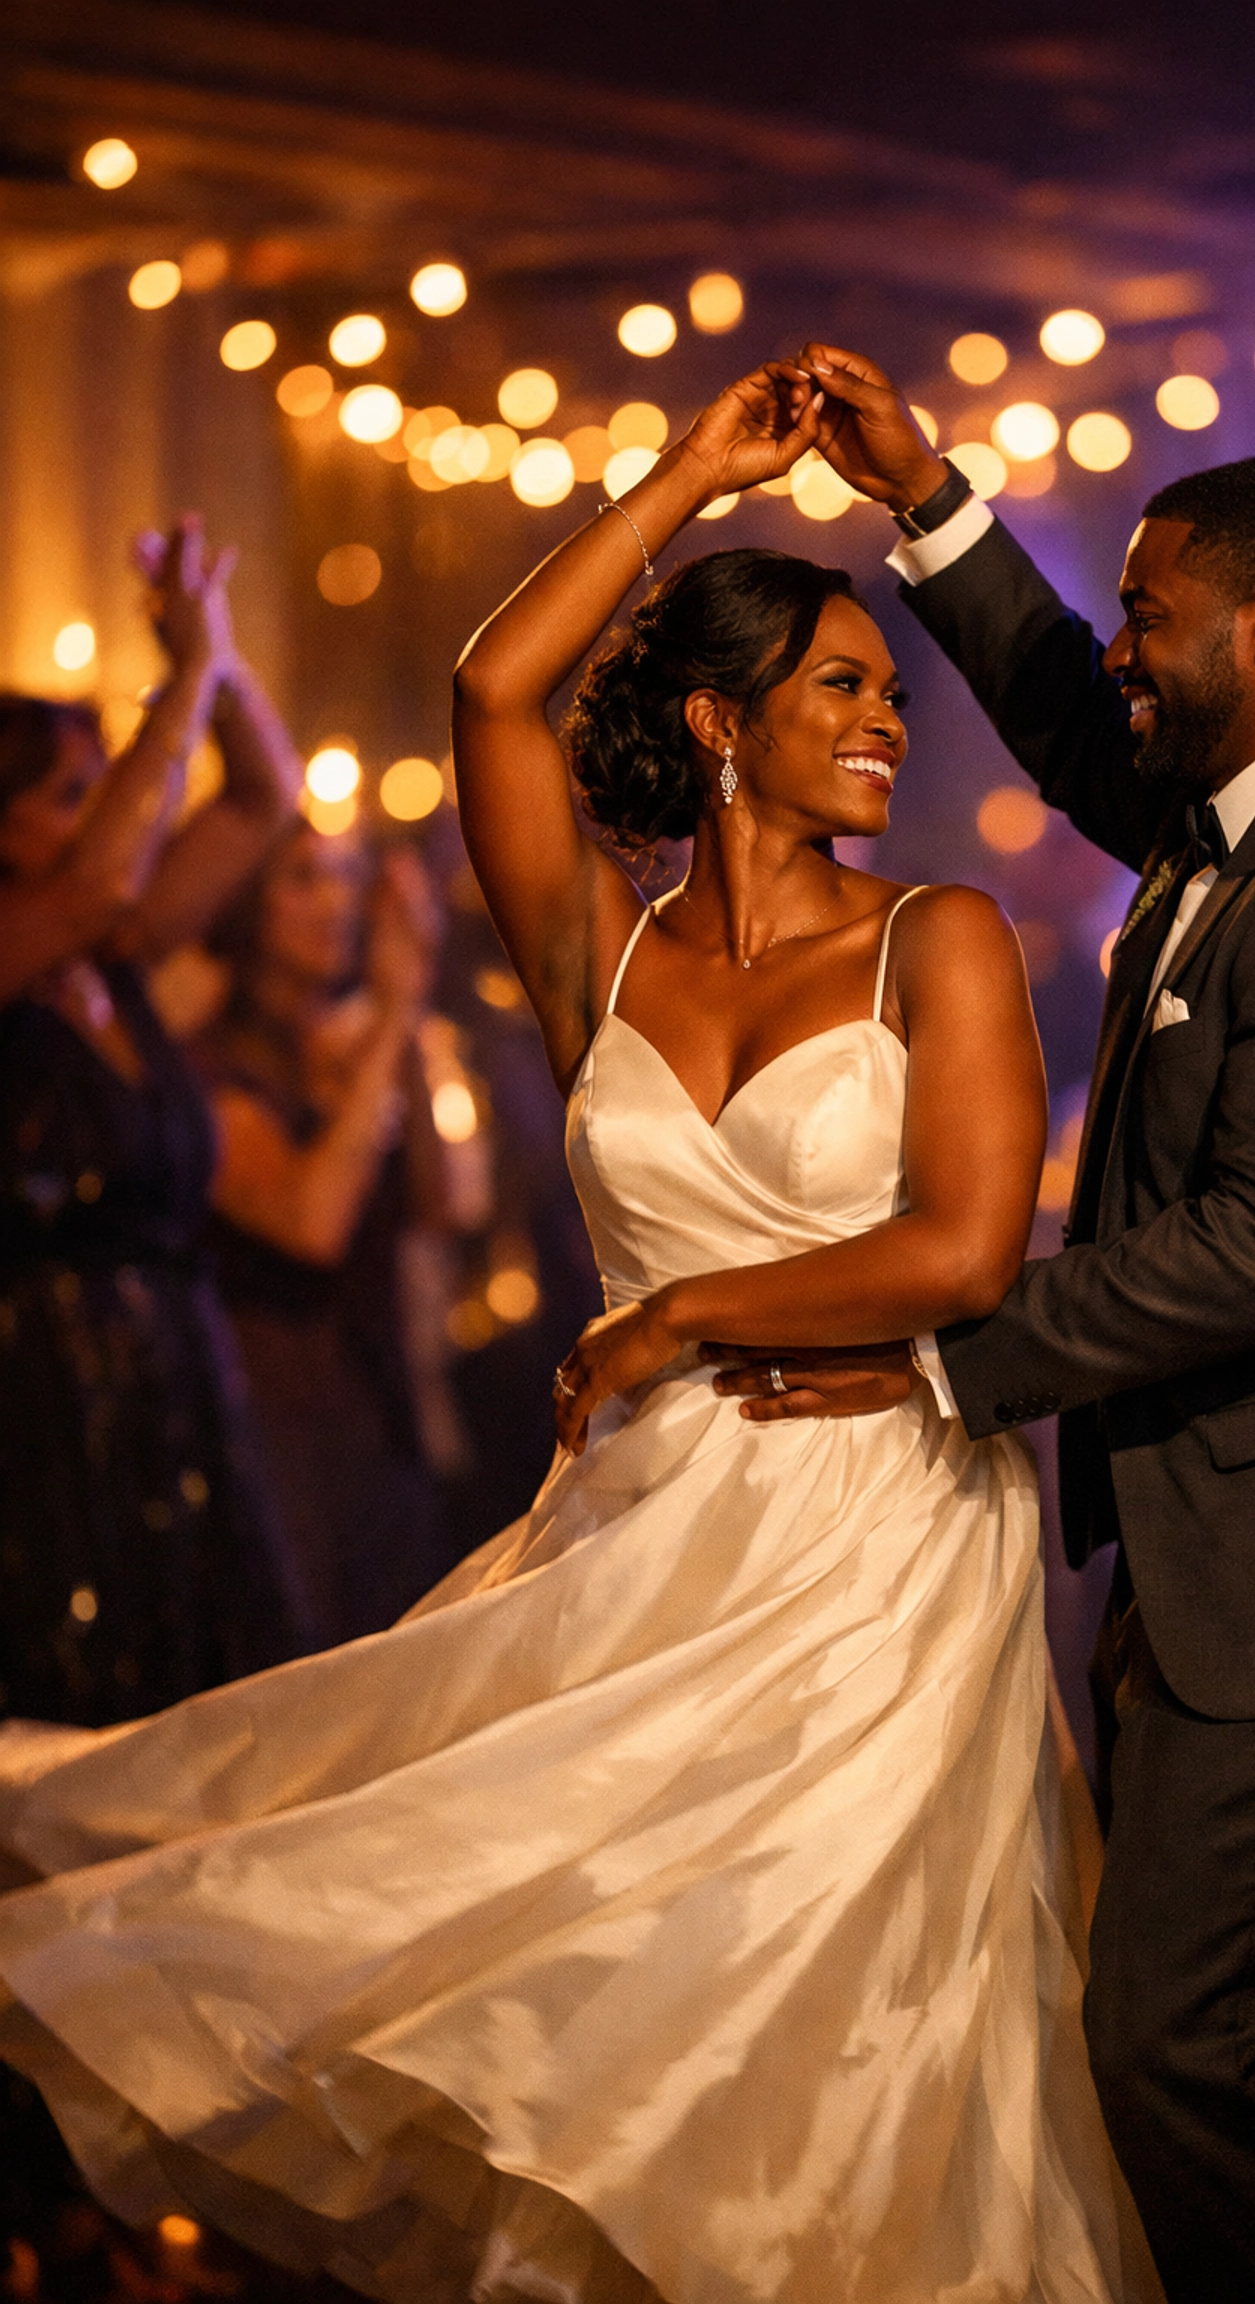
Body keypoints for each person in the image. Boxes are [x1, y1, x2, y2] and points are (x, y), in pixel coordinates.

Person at [0, 367, 1158, 2304]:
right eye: (842, 689)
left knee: (835, 2020)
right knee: (590, 1988)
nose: (890, 724)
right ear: (721, 724)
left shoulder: (936, 939)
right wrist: (694, 472)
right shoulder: (595, 949)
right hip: (638, 1533)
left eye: (889, 692)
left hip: (873, 1543)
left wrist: (675, 1313)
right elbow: (491, 693)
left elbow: (963, 1252)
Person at [708, 347, 1255, 2304]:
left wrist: (944, 1354)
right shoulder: (1238, 805)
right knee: (1251, 2065)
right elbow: (1089, 726)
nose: (1126, 656)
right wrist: (929, 502)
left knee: (1189, 2062)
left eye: (1151, 620)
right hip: (1241, 1548)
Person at [0, 518, 306, 1728]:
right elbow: (92, 883)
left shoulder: (113, 960)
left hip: (175, 1393)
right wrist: (176, 681)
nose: (117, 808)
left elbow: (264, 797)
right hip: (34, 1408)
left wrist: (217, 662)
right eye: (74, 792)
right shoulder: (29, 949)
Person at [196, 827, 458, 1644]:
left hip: (373, 1406)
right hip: (274, 1428)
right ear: (241, 906)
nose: (338, 903)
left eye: (348, 876)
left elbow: (437, 1201)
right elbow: (311, 1225)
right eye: (303, 879)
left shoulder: (347, 1053)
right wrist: (390, 1016)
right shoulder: (208, 1071)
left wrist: (401, 1012)